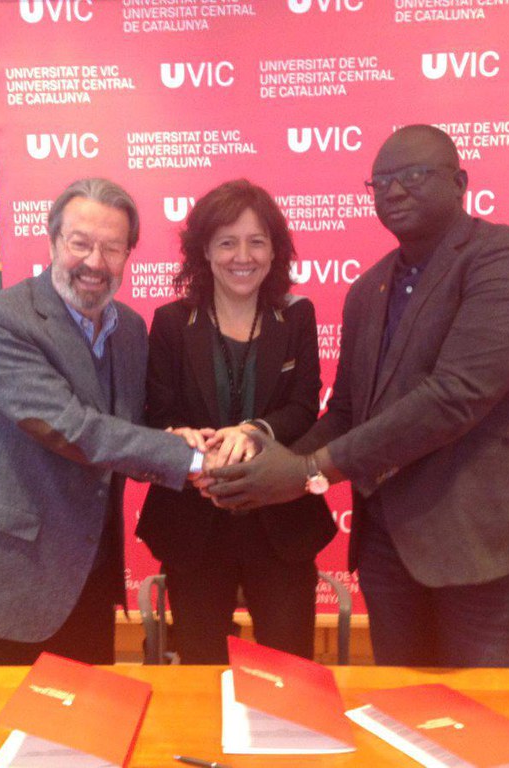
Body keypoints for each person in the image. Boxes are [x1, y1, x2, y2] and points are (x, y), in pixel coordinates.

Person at [208, 126, 509, 668]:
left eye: (414, 175)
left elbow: (455, 396)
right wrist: (267, 466)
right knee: (401, 706)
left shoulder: (508, 259)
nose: (394, 191)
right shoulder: (368, 289)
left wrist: (308, 470)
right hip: (388, 547)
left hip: (483, 546)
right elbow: (348, 412)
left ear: (460, 183)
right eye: (380, 182)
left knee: (476, 714)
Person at [0, 177, 203, 666]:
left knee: (85, 713)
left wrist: (181, 440)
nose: (95, 261)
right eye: (80, 243)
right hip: (3, 581)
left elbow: (126, 431)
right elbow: (70, 429)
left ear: (128, 254)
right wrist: (193, 458)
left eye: (112, 247)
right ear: (53, 242)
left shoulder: (130, 329)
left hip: (88, 576)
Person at [135, 179, 336, 664]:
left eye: (256, 242)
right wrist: (186, 446)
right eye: (227, 242)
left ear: (274, 250)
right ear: (204, 250)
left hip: (281, 522)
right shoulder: (170, 322)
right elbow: (157, 415)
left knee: (288, 671)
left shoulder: (297, 316)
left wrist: (254, 432)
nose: (242, 256)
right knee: (201, 668)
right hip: (194, 520)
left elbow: (303, 408)